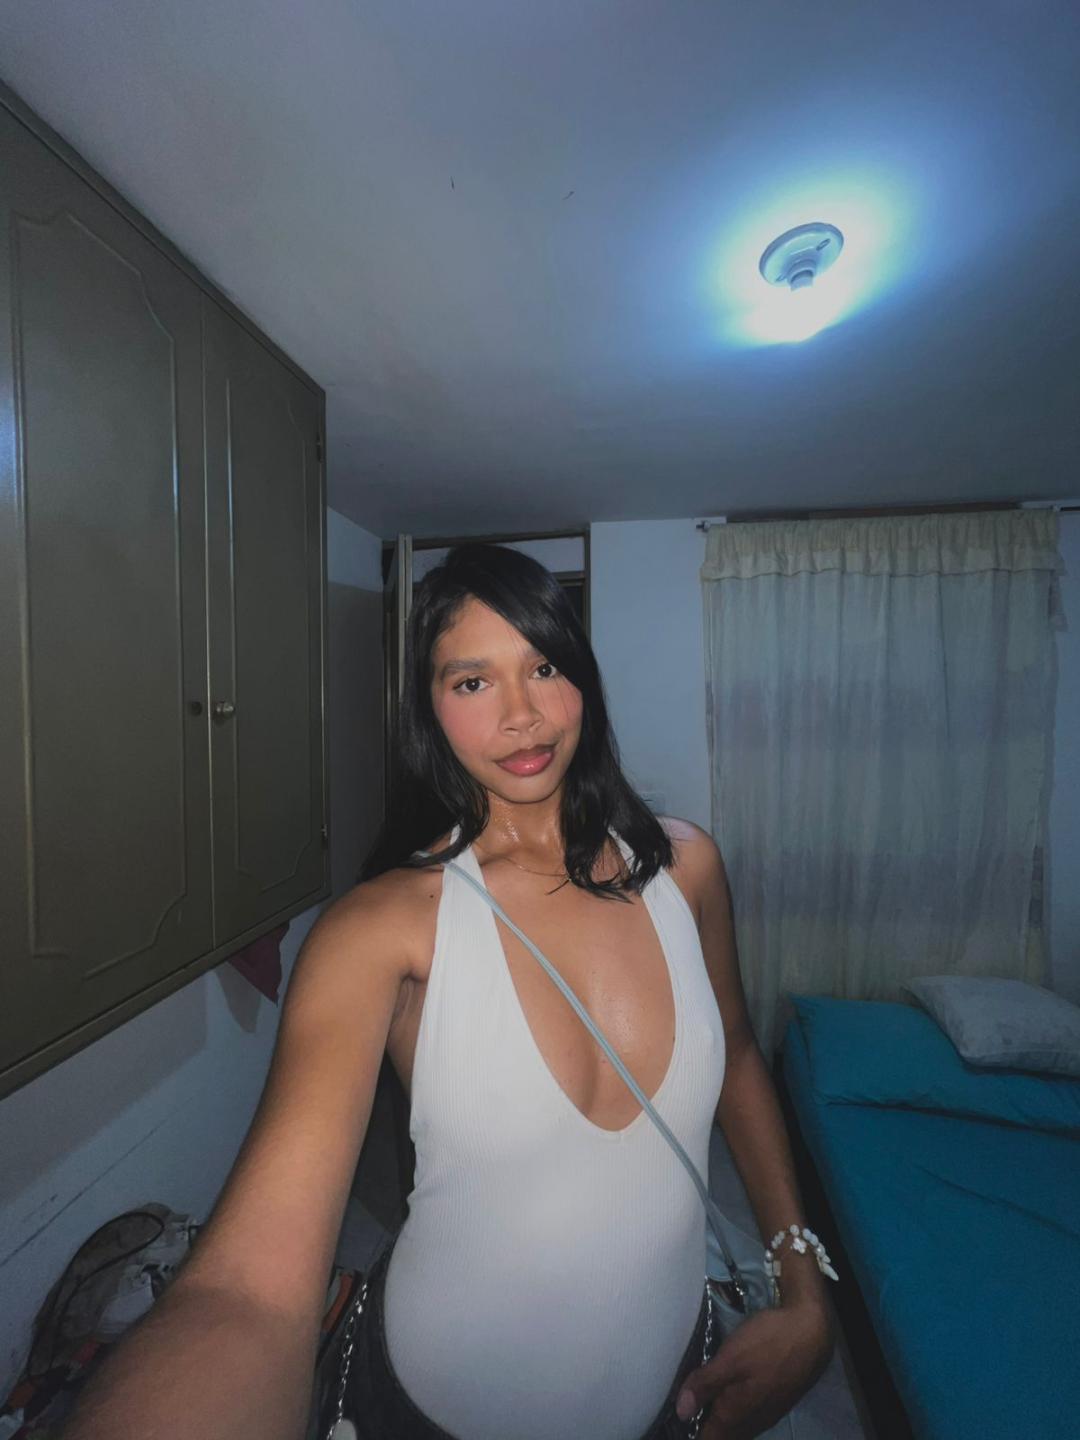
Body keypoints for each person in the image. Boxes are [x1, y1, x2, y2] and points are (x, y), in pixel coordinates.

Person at [61, 543, 833, 1440]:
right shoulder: (381, 930)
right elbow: (247, 1292)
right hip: (430, 1411)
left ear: (582, 678)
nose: (521, 715)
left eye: (544, 668)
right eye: (472, 682)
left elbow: (735, 1052)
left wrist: (803, 1284)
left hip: (676, 1384)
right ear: (430, 711)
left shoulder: (687, 868)